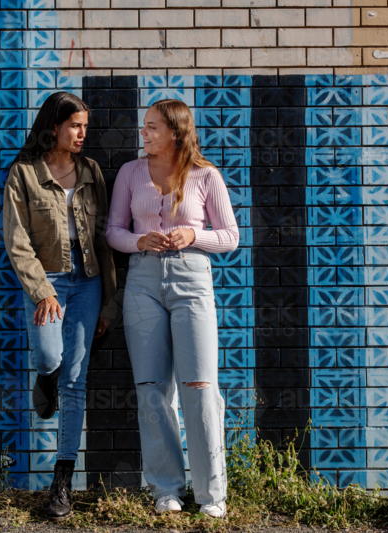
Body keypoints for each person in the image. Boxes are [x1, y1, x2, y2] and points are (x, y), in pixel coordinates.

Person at [106, 99, 239, 518]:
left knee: (200, 386)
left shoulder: (206, 175)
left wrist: (193, 235)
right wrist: (138, 240)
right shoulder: (130, 172)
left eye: (152, 127)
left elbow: (230, 236)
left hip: (192, 280)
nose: (143, 133)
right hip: (142, 282)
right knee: (152, 389)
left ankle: (211, 495)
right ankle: (165, 489)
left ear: (175, 132)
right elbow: (112, 231)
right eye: (144, 126)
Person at [2, 91, 116, 519]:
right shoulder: (24, 173)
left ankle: (61, 482)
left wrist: (109, 303)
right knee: (50, 357)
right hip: (47, 279)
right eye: (75, 126)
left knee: (75, 380)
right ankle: (43, 378)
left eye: (85, 126)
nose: (82, 134)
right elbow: (17, 240)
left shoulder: (91, 171)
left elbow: (104, 240)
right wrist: (41, 290)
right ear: (54, 126)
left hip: (88, 282)